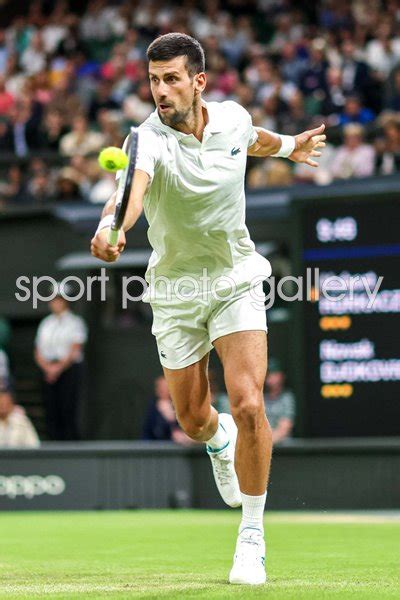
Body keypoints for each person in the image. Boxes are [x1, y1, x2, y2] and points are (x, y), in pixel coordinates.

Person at [91, 33, 326, 585]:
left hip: (235, 277)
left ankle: (251, 537)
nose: (160, 90)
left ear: (199, 81)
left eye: (172, 78)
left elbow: (255, 140)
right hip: (175, 291)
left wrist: (292, 146)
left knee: (248, 403)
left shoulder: (232, 119)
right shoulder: (145, 140)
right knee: (196, 420)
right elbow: (128, 193)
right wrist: (109, 229)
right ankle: (217, 441)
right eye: (153, 80)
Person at [34, 287, 87, 440]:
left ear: (66, 301)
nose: (55, 302)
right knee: (51, 411)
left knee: (67, 409)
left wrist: (58, 369)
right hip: (48, 371)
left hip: (69, 371)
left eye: (59, 299)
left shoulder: (75, 322)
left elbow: (75, 349)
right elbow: (38, 350)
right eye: (53, 299)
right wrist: (48, 368)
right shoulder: (46, 323)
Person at [142, 375, 192, 445]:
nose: (163, 390)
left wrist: (172, 418)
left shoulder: (181, 405)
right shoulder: (153, 407)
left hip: (178, 446)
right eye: (160, 387)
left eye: (166, 387)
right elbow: (151, 432)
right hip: (156, 447)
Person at [263, 358, 295, 444]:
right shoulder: (260, 398)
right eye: (268, 374)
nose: (270, 377)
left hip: (283, 449)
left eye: (273, 374)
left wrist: (264, 444)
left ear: (281, 376)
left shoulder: (287, 398)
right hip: (262, 446)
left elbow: (284, 429)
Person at [0, 379, 40, 448]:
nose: (3, 407)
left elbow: (34, 444)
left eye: (6, 404)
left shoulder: (22, 421)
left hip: (18, 457)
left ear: (12, 405)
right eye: (1, 404)